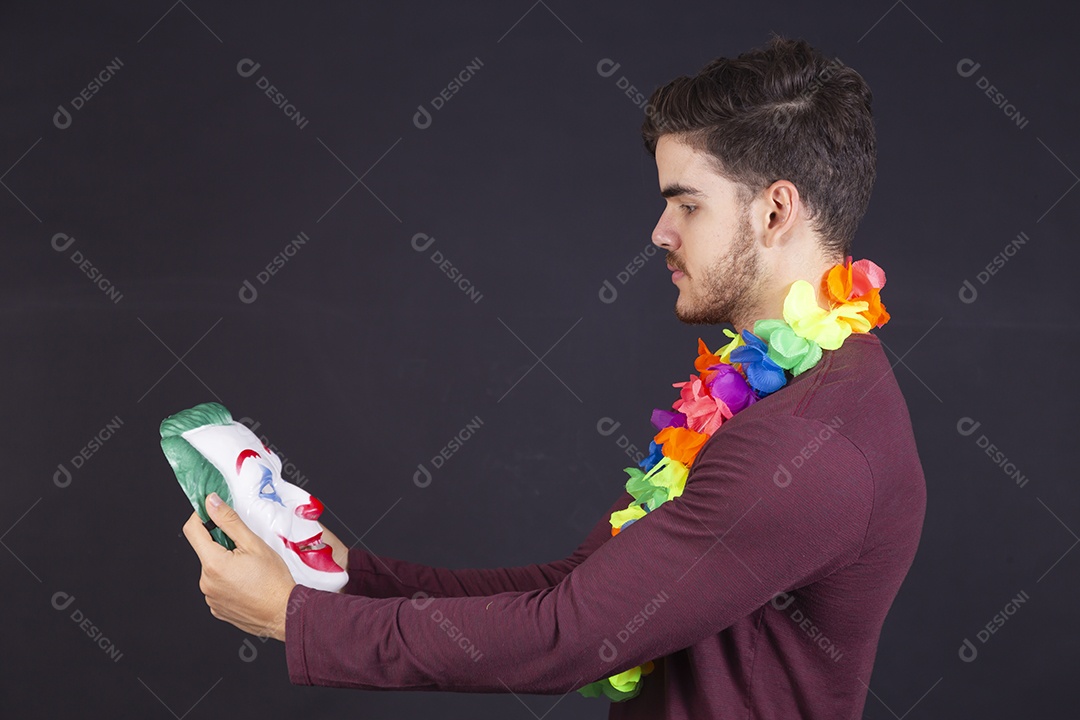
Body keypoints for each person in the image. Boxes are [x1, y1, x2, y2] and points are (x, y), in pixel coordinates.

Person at [183, 33, 926, 719]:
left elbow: (570, 634)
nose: (660, 233)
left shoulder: (808, 444)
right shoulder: (778, 389)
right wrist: (349, 579)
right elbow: (574, 587)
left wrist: (297, 618)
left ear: (775, 211)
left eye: (687, 205)